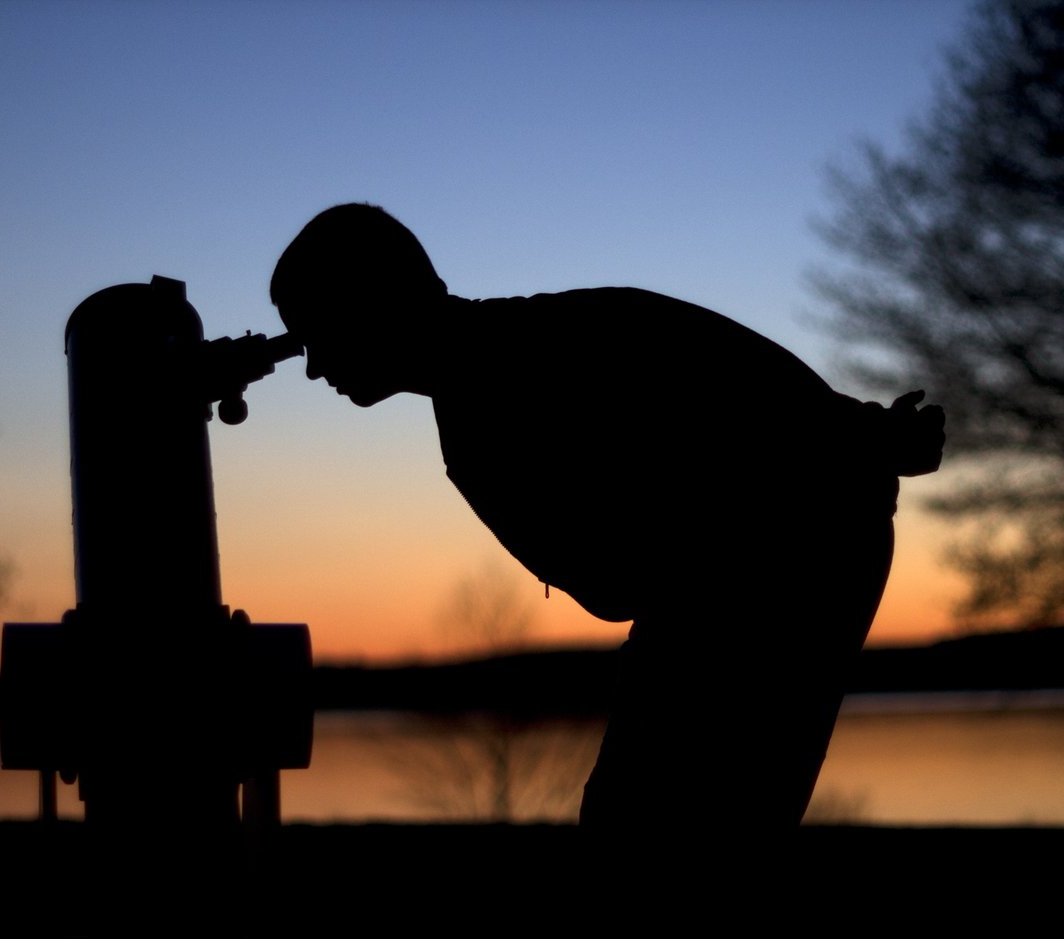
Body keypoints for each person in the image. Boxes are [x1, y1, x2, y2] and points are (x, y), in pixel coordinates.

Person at [270, 202, 945, 830]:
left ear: (367, 303)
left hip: (786, 562)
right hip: (727, 581)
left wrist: (867, 434)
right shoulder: (478, 409)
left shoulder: (548, 345)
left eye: (314, 333)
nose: (313, 368)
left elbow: (720, 372)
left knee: (668, 824)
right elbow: (610, 583)